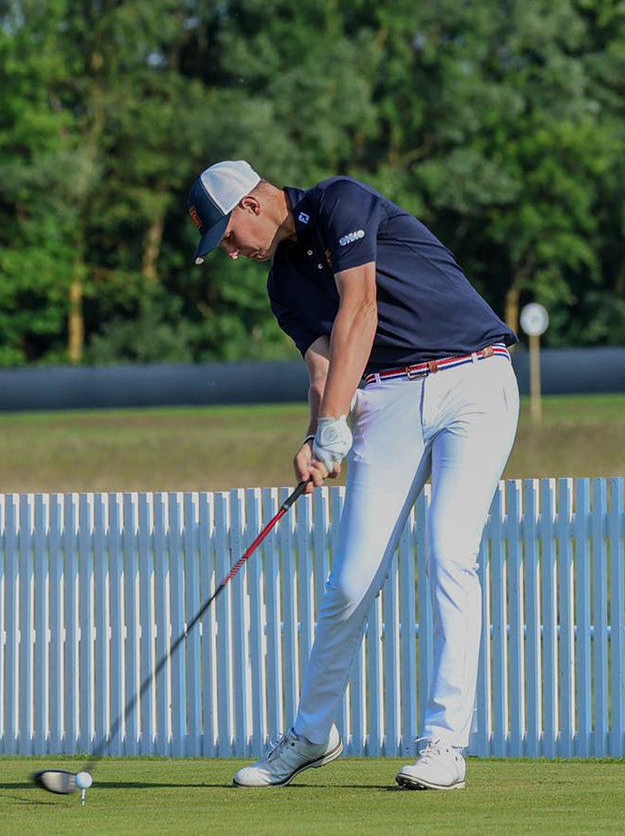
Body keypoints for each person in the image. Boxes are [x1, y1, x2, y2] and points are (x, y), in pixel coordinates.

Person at [186, 159, 519, 791]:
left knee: (449, 553)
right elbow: (323, 369)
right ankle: (312, 734)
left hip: (473, 377)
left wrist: (337, 419)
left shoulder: (340, 203)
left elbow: (359, 309)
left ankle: (444, 744)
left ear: (251, 206)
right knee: (349, 582)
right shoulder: (282, 286)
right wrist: (318, 437)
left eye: (227, 235)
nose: (230, 253)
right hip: (387, 401)